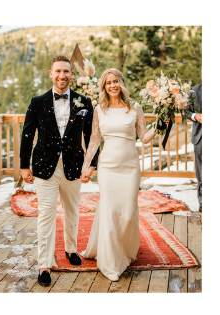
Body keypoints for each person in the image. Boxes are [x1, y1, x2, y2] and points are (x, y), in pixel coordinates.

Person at [79, 69, 162, 281]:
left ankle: (125, 250)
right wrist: (87, 166)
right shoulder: (100, 110)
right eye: (108, 83)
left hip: (130, 167)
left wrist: (159, 126)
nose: (113, 85)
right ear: (104, 87)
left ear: (121, 83)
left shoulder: (134, 108)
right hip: (107, 167)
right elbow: (95, 140)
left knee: (126, 213)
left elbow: (143, 137)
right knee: (109, 210)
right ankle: (110, 262)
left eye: (115, 81)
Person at [20, 56, 96, 287]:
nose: (62, 75)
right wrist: (24, 165)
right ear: (51, 73)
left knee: (72, 211)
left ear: (72, 75)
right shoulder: (37, 101)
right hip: (45, 166)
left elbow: (92, 137)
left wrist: (92, 164)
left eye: (66, 71)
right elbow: (27, 134)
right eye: (58, 71)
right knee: (46, 215)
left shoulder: (85, 102)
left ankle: (71, 249)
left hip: (74, 165)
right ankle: (44, 263)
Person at [185, 83, 202, 212]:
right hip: (200, 137)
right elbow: (185, 111)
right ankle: (203, 202)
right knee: (201, 173)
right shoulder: (194, 91)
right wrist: (195, 116)